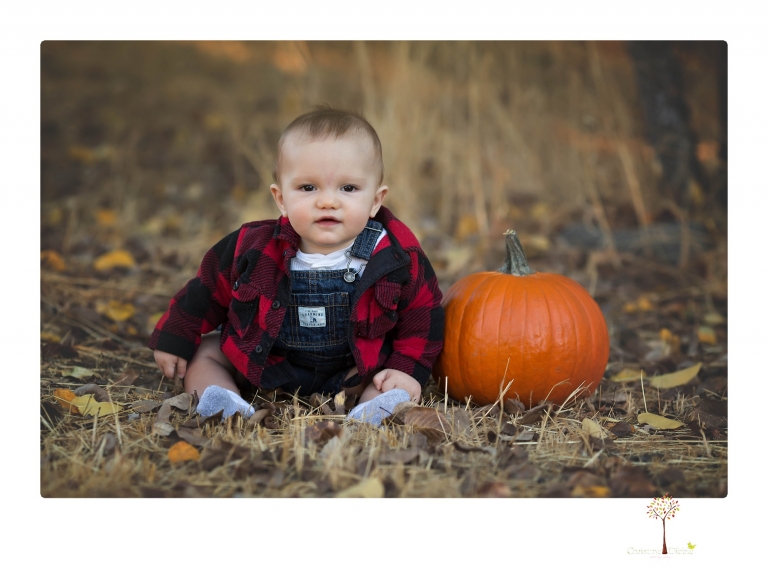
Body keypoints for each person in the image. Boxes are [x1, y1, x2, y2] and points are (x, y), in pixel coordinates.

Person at [148, 106, 444, 425]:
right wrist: (176, 335)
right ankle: (223, 402)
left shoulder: (394, 256)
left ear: (375, 200)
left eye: (348, 188)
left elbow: (423, 314)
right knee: (205, 352)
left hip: (355, 375)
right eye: (308, 188)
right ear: (281, 199)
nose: (328, 201)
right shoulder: (252, 246)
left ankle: (373, 410)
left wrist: (406, 368)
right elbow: (206, 290)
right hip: (265, 367)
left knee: (390, 378)